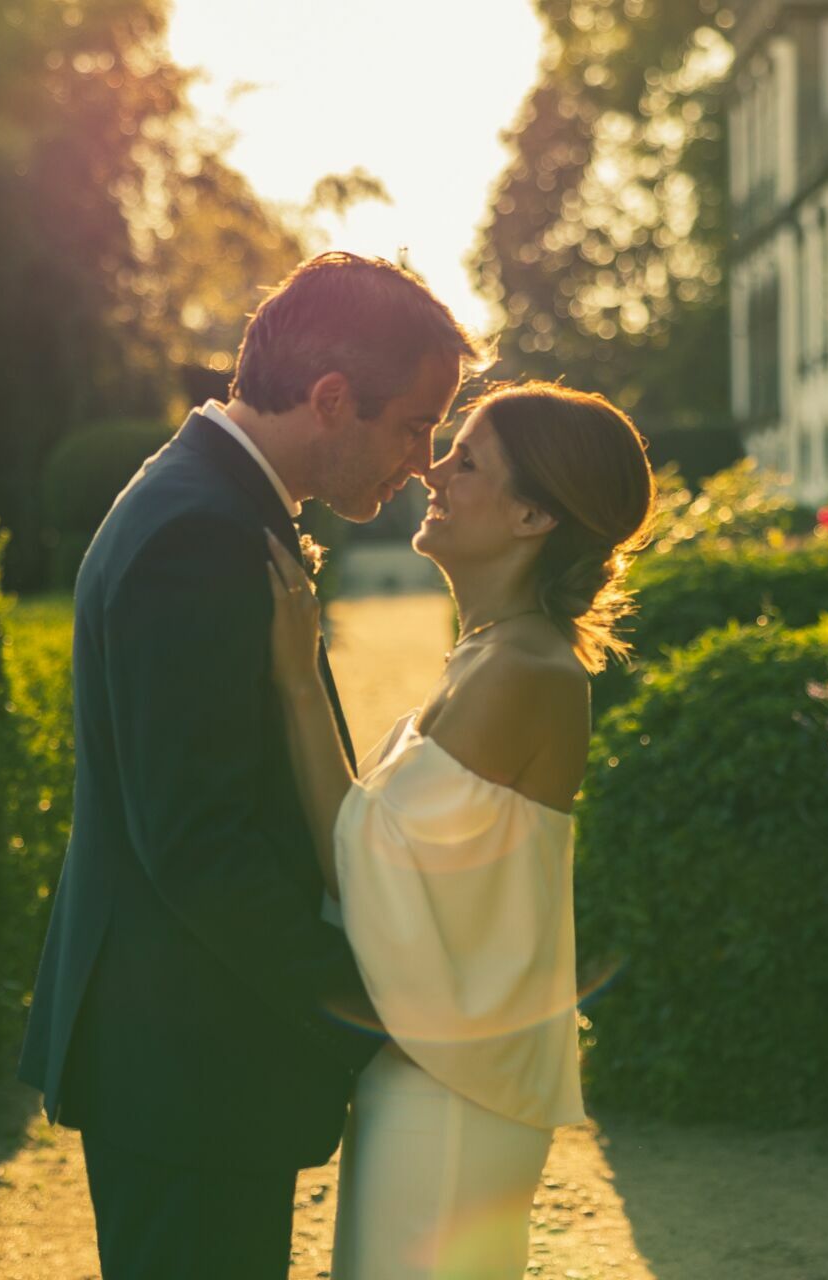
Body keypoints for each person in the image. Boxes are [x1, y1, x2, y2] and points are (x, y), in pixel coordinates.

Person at [17, 251, 486, 1278]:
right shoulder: (202, 532)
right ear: (330, 398)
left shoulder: (210, 500)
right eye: (416, 423)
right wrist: (366, 1003)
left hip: (187, 1043)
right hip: (184, 1054)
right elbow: (196, 841)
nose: (425, 458)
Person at [264, 380, 655, 1277]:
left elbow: (355, 861)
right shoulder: (493, 652)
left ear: (530, 518)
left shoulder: (524, 670)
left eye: (466, 458)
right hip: (439, 1075)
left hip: (454, 1093)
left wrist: (293, 680)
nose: (431, 469)